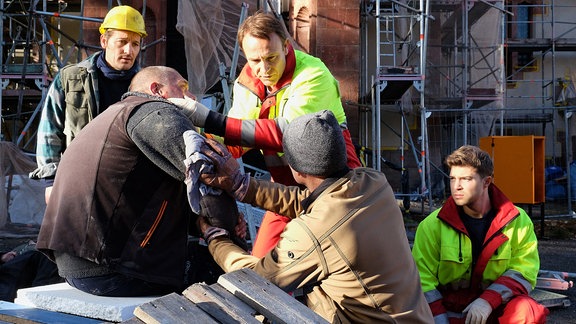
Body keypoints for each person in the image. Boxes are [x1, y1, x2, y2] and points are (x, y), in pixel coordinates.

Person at [194, 110, 433, 322]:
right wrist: (242, 186)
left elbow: (256, 279)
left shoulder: (312, 233)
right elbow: (313, 203)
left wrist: (217, 239)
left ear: (295, 169)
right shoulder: (373, 182)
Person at [36, 66, 244, 297]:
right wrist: (231, 233)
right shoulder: (157, 113)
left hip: (79, 264)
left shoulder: (117, 114)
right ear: (157, 90)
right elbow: (208, 182)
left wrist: (200, 224)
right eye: (183, 88)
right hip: (109, 269)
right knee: (234, 275)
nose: (192, 98)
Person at [170, 11, 362, 257]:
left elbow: (290, 133)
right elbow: (237, 140)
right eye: (255, 61)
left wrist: (209, 119)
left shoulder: (313, 74)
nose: (264, 68)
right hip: (285, 189)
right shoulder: (248, 80)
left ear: (285, 46)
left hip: (334, 189)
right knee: (261, 272)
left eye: (271, 57)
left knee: (338, 263)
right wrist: (197, 140)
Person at [411, 145, 549, 324]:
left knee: (527, 311)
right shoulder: (432, 225)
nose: (456, 186)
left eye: (466, 179)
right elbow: (422, 282)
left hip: (492, 311)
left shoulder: (517, 221)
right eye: (453, 179)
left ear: (486, 182)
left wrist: (487, 300)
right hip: (446, 314)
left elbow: (524, 271)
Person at [30, 5, 147, 202]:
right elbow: (50, 130)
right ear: (104, 41)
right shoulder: (71, 78)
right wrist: (50, 182)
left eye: (135, 44)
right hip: (80, 183)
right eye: (122, 42)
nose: (129, 50)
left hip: (131, 188)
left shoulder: (147, 85)